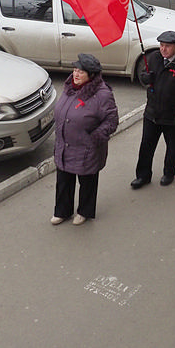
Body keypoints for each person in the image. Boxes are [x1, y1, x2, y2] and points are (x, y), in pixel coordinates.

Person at [51, 54, 119, 225]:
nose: (76, 74)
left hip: (87, 148)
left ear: (92, 75)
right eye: (75, 70)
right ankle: (62, 211)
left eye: (81, 72)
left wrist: (95, 137)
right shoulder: (69, 88)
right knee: (63, 181)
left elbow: (111, 121)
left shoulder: (102, 95)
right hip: (65, 146)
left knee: (87, 182)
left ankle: (84, 211)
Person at [132, 31, 175, 188]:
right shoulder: (154, 57)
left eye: (167, 46)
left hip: (173, 115)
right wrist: (145, 78)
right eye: (161, 45)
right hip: (152, 113)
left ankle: (169, 173)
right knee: (146, 146)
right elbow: (144, 74)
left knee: (173, 147)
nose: (163, 49)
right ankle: (143, 176)